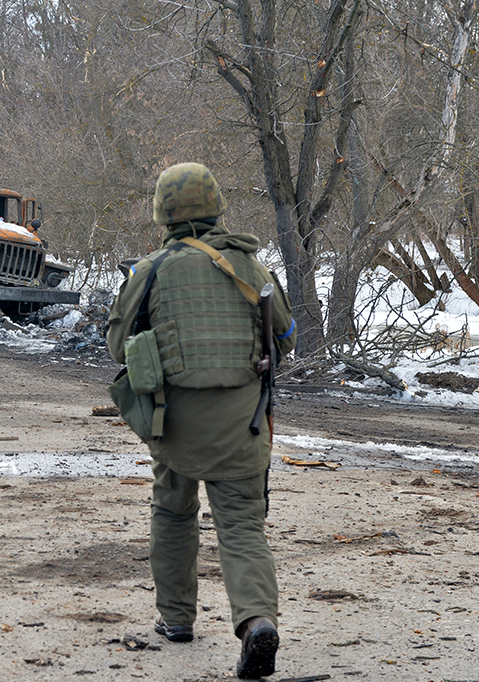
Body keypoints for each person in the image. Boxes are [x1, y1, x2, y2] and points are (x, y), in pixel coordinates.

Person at [106, 162, 296, 679]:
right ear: (216, 206)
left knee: (172, 511)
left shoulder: (152, 269)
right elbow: (285, 339)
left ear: (163, 212)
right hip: (244, 423)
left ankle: (176, 620)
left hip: (175, 421)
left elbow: (116, 343)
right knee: (241, 527)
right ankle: (257, 621)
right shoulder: (252, 268)